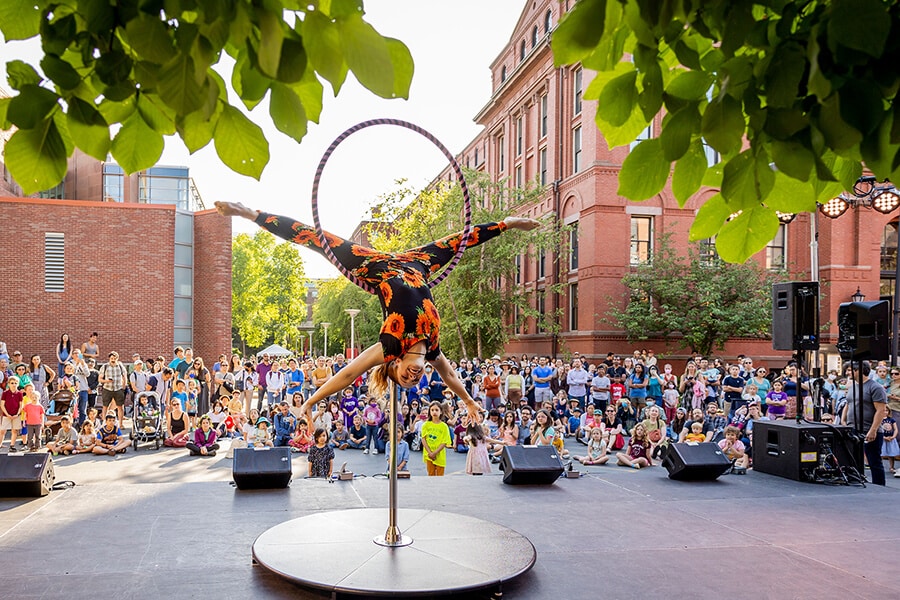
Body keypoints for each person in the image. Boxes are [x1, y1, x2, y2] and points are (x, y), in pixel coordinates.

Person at [218, 201, 539, 419]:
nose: (412, 378)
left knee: (317, 240)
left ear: (395, 365)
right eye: (415, 381)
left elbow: (347, 374)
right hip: (417, 265)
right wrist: (469, 402)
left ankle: (249, 213)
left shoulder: (391, 345)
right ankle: (507, 223)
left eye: (404, 378)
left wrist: (312, 402)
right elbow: (452, 377)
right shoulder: (433, 350)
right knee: (457, 242)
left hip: (375, 267)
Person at [843, 361, 889, 486]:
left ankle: (880, 487)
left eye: (849, 370)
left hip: (869, 429)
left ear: (859, 370)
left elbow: (881, 410)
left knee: (874, 461)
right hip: (853, 428)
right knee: (854, 460)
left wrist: (873, 429)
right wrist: (843, 421)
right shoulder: (852, 386)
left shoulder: (875, 387)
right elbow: (848, 403)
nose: (847, 373)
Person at [98, 351, 128, 429]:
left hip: (118, 388)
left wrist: (124, 386)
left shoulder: (120, 366)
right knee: (105, 407)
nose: (113, 359)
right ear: (109, 358)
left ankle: (121, 424)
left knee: (120, 407)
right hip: (107, 388)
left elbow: (125, 376)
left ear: (117, 358)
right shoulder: (105, 366)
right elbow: (100, 379)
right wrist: (107, 381)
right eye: (111, 358)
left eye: (115, 358)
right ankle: (105, 424)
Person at [421, 401, 451, 476]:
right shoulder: (426, 425)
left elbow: (444, 442)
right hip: (428, 454)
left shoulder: (444, 426)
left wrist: (435, 453)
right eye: (432, 410)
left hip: (439, 455)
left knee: (440, 475)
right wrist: (430, 453)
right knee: (431, 474)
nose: (434, 412)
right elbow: (423, 439)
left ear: (441, 412)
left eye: (437, 410)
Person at [0, 375, 24, 452]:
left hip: (16, 415)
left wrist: (17, 414)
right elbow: (2, 404)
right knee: (3, 430)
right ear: (9, 384)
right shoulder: (5, 393)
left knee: (14, 430)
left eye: (15, 383)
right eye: (12, 383)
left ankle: (12, 445)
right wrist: (7, 414)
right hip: (7, 415)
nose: (14, 385)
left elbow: (21, 405)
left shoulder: (19, 393)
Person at [22, 384, 45, 452]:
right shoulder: (27, 406)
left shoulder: (40, 406)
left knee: (38, 436)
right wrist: (24, 421)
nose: (34, 398)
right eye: (33, 396)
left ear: (39, 398)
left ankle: (37, 446)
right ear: (31, 397)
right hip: (29, 423)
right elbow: (25, 414)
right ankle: (31, 447)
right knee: (30, 436)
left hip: (38, 423)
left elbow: (42, 415)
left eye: (36, 397)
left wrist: (42, 423)